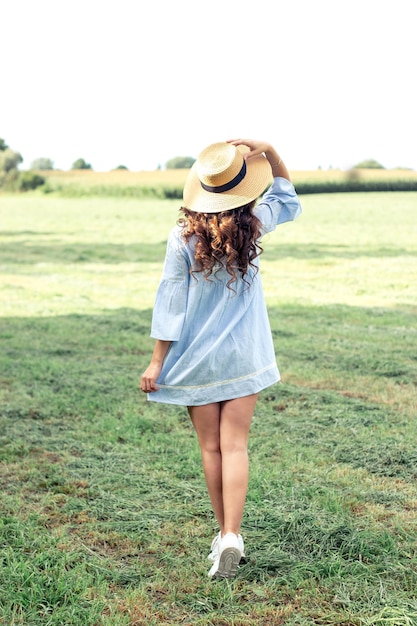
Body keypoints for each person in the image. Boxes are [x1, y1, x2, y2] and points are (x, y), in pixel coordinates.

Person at [140, 138, 302, 579]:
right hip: (245, 356)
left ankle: (222, 535)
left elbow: (170, 303)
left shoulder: (183, 237)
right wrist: (268, 150)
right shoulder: (253, 224)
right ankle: (232, 535)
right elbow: (286, 193)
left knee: (211, 448)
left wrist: (157, 363)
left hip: (197, 361)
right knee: (236, 447)